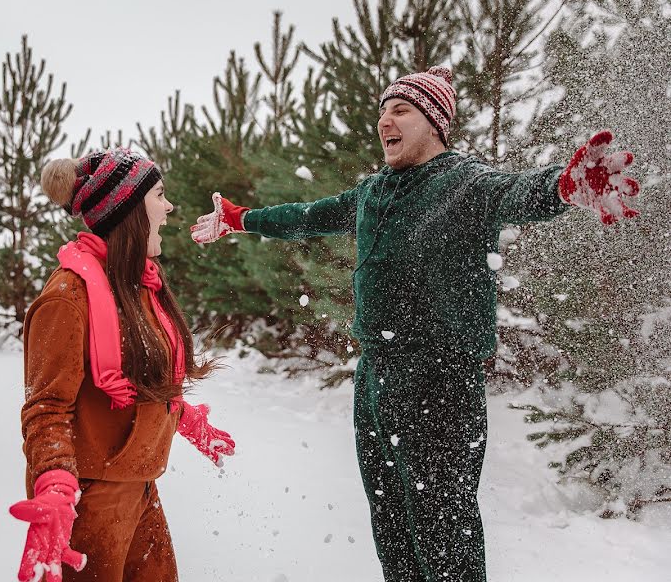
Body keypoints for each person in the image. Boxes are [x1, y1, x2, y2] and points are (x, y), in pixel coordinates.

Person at [190, 66, 639, 581]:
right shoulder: (373, 192)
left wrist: (564, 184)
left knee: (443, 530)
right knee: (393, 524)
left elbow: (518, 192)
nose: (386, 120)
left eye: (400, 109)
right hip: (377, 376)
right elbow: (309, 215)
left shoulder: (465, 183)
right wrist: (241, 217)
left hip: (441, 380)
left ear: (435, 122)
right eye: (383, 111)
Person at [10, 147, 235, 582]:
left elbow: (136, 376)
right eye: (159, 195)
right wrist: (55, 481)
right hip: (89, 500)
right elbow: (45, 407)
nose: (169, 208)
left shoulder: (136, 286)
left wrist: (179, 418)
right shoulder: (67, 298)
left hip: (142, 489)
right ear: (128, 208)